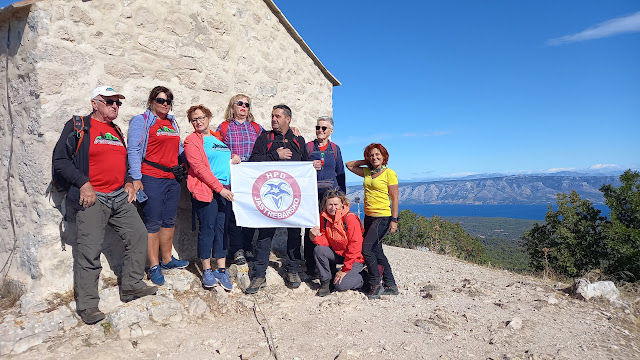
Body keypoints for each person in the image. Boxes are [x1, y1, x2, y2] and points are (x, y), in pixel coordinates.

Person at [52, 86, 156, 324]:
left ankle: (131, 285)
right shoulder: (79, 125)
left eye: (118, 103)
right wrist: (83, 183)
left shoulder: (116, 129)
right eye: (109, 102)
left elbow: (126, 160)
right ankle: (88, 306)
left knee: (139, 235)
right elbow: (60, 160)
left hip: (119, 195)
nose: (115, 106)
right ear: (94, 103)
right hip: (92, 197)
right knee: (89, 251)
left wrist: (130, 181)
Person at [246, 104, 315, 294]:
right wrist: (275, 155)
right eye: (272, 116)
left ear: (288, 119)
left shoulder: (299, 140)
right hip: (269, 195)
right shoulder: (265, 138)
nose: (273, 119)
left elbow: (307, 165)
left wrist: (313, 166)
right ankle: (259, 274)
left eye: (277, 116)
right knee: (264, 234)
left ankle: (293, 270)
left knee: (294, 233)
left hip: (293, 197)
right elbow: (253, 161)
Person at [128, 86, 189, 286]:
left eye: (168, 101)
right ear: (151, 101)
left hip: (172, 178)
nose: (165, 104)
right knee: (152, 222)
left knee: (169, 220)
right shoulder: (142, 121)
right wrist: (136, 177)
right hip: (151, 177)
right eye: (161, 100)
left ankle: (167, 260)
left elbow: (179, 149)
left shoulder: (171, 123)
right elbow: (134, 149)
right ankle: (154, 265)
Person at [184, 104, 240, 290]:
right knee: (207, 229)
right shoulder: (191, 141)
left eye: (201, 118)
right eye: (194, 119)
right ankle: (207, 270)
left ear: (208, 118)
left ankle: (221, 270)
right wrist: (219, 189)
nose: (198, 122)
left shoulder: (217, 138)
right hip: (207, 190)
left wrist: (234, 157)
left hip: (224, 190)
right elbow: (199, 168)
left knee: (222, 229)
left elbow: (220, 159)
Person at [346, 143, 399, 299]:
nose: (375, 157)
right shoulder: (368, 172)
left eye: (378, 155)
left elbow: (395, 198)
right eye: (371, 155)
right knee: (377, 250)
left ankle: (375, 284)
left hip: (383, 216)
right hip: (369, 216)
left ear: (384, 156)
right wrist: (366, 161)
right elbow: (349, 165)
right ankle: (391, 285)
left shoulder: (389, 173)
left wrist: (394, 220)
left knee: (366, 249)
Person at [216, 94, 264, 266]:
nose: (244, 107)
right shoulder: (224, 127)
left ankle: (247, 245)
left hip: (252, 179)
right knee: (234, 215)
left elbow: (271, 141)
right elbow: (216, 149)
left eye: (247, 104)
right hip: (232, 178)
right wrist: (230, 156)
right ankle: (236, 250)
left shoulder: (257, 128)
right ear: (233, 106)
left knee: (251, 211)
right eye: (240, 103)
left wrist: (292, 129)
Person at [304, 116, 346, 278]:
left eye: (323, 128)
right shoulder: (308, 148)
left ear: (331, 131)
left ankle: (329, 265)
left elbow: (340, 173)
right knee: (311, 229)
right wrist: (309, 165)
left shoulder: (335, 149)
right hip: (312, 196)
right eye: (318, 127)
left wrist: (342, 198)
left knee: (330, 230)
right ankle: (310, 265)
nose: (320, 131)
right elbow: (298, 167)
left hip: (331, 198)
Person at [309, 189, 365, 297]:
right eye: (330, 204)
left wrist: (345, 269)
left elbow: (355, 246)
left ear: (342, 204)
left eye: (336, 204)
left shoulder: (350, 218)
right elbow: (326, 241)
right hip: (340, 254)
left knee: (341, 286)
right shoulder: (325, 218)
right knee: (319, 250)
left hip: (356, 258)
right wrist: (313, 237)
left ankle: (365, 277)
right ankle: (326, 282)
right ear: (325, 204)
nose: (333, 208)